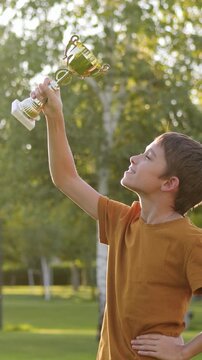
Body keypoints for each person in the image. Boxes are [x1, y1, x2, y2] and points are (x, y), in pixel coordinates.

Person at [31, 78, 202, 360]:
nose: (134, 158)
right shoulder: (124, 220)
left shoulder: (190, 241)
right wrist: (54, 115)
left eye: (147, 156)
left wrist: (185, 351)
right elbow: (66, 178)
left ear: (170, 183)